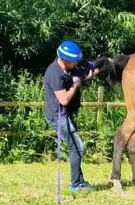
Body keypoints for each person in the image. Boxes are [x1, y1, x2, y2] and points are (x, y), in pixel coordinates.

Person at [43, 40, 99, 192]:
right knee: (77, 147)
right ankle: (75, 184)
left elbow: (85, 72)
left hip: (64, 114)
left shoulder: (67, 68)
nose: (76, 64)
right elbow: (64, 100)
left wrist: (97, 68)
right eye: (74, 62)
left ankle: (79, 180)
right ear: (65, 60)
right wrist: (76, 83)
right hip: (58, 116)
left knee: (76, 146)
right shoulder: (54, 74)